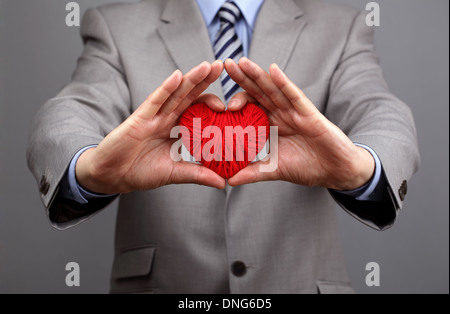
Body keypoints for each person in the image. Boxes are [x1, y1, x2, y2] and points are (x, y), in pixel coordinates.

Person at [27, 0, 419, 294]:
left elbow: (380, 109)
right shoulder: (116, 24)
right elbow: (70, 110)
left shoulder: (341, 23)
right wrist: (87, 169)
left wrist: (362, 168)